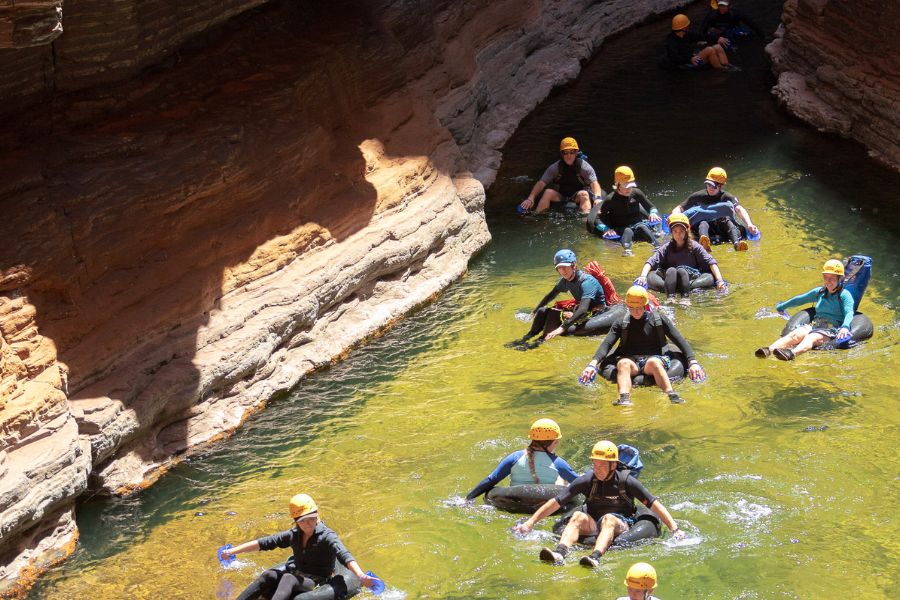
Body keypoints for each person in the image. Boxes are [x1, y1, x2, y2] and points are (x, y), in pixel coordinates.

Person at [513, 441, 683, 568]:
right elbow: (556, 502)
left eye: (602, 465)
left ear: (613, 465)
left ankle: (595, 557)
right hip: (594, 523)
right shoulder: (588, 480)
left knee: (609, 519)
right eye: (595, 464)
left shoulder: (627, 482)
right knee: (578, 516)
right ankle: (560, 553)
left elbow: (654, 504)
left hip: (621, 524)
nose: (597, 468)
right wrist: (530, 523)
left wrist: (674, 529)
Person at [223, 494, 377, 600]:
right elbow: (263, 543)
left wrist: (361, 576)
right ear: (296, 521)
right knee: (268, 575)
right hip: (297, 574)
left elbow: (344, 554)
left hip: (316, 581)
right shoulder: (293, 535)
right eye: (303, 520)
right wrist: (231, 551)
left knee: (288, 579)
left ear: (317, 514)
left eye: (312, 518)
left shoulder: (327, 536)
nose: (308, 523)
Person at [579, 286, 706, 405]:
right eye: (632, 308)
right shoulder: (621, 323)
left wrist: (692, 362)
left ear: (645, 305)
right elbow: (606, 344)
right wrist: (592, 364)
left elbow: (680, 340)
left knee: (654, 362)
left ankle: (671, 395)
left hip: (655, 359)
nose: (636, 311)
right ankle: (624, 399)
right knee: (623, 364)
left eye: (639, 308)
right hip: (631, 360)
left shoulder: (659, 320)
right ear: (627, 306)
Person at [505, 249, 606, 350]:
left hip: (596, 312)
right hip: (583, 308)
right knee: (542, 311)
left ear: (573, 265)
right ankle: (527, 337)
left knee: (553, 315)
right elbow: (550, 295)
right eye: (559, 268)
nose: (563, 271)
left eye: (565, 267)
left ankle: (539, 341)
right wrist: (534, 312)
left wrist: (562, 328)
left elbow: (583, 309)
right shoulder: (565, 281)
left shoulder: (587, 282)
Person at [755, 259, 854, 360]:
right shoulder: (820, 292)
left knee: (811, 337)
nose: (828, 281)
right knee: (795, 335)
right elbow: (800, 299)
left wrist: (845, 327)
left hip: (832, 329)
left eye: (832, 278)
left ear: (840, 278)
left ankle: (791, 353)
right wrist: (782, 306)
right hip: (815, 324)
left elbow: (849, 312)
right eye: (825, 277)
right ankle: (768, 350)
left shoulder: (845, 295)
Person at [465, 418, 579, 501]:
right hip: (544, 503)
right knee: (565, 484)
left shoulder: (515, 457)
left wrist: (468, 498)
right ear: (555, 441)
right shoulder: (558, 463)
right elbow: (580, 482)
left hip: (514, 502)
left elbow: (491, 479)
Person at [635, 214, 727, 302]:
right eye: (675, 231)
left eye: (681, 231)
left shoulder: (695, 246)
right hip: (670, 279)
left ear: (686, 231)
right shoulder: (666, 247)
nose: (678, 234)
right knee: (651, 275)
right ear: (672, 233)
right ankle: (670, 296)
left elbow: (711, 263)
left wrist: (719, 281)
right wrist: (642, 277)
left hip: (691, 280)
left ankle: (685, 294)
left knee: (709, 276)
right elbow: (650, 262)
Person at [672, 167, 759, 251]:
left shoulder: (726, 197)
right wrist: (674, 218)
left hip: (720, 227)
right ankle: (704, 244)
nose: (710, 188)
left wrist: (749, 224)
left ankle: (737, 244)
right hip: (703, 228)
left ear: (720, 186)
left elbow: (739, 209)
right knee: (703, 222)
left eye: (714, 186)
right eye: (708, 184)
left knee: (726, 220)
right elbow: (679, 208)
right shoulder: (698, 196)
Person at [518, 137, 603, 215]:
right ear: (561, 154)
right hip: (561, 195)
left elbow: (594, 183)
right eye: (565, 153)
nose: (569, 155)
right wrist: (531, 198)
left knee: (584, 194)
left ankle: (586, 221)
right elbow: (541, 183)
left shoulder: (584, 167)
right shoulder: (555, 167)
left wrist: (597, 198)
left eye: (572, 152)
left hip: (577, 195)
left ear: (576, 152)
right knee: (547, 192)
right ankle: (538, 217)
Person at [594, 166, 662, 256]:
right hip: (621, 227)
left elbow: (651, 207)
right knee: (628, 230)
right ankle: (627, 251)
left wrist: (653, 213)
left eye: (630, 186)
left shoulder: (636, 193)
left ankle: (658, 247)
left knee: (642, 227)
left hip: (637, 224)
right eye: (625, 186)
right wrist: (606, 229)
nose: (629, 189)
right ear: (617, 185)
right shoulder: (610, 199)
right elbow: (597, 219)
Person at [665, 14, 731, 70]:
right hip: (687, 62)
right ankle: (722, 69)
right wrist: (690, 59)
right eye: (687, 25)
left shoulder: (687, 34)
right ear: (684, 27)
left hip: (692, 56)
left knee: (717, 46)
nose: (688, 26)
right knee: (709, 50)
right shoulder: (671, 40)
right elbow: (674, 57)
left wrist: (718, 38)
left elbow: (702, 36)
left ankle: (728, 65)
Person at [701, 0, 765, 46]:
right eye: (720, 6)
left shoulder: (735, 13)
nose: (722, 8)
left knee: (747, 35)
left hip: (731, 30)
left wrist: (761, 34)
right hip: (717, 32)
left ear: (729, 6)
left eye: (724, 6)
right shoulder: (712, 15)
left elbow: (750, 22)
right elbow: (704, 27)